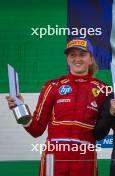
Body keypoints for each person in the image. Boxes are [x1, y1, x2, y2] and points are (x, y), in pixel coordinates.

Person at [6, 37, 107, 176]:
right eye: (73, 55)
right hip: (54, 157)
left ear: (91, 59)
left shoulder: (103, 89)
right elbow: (36, 129)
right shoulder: (53, 86)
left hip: (85, 158)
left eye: (82, 54)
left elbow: (105, 127)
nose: (77, 58)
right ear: (67, 60)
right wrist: (19, 108)